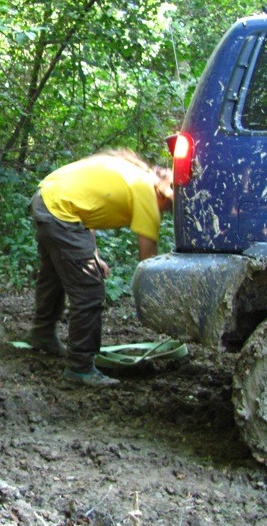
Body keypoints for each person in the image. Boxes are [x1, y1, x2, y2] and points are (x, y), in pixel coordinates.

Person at [26, 149, 174, 387]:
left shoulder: (135, 174)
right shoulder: (147, 192)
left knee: (53, 274)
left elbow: (86, 205)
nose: (165, 212)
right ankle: (80, 368)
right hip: (59, 209)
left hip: (46, 198)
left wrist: (92, 254)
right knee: (89, 290)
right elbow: (148, 262)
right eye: (168, 208)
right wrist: (160, 305)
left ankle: (42, 334)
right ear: (164, 195)